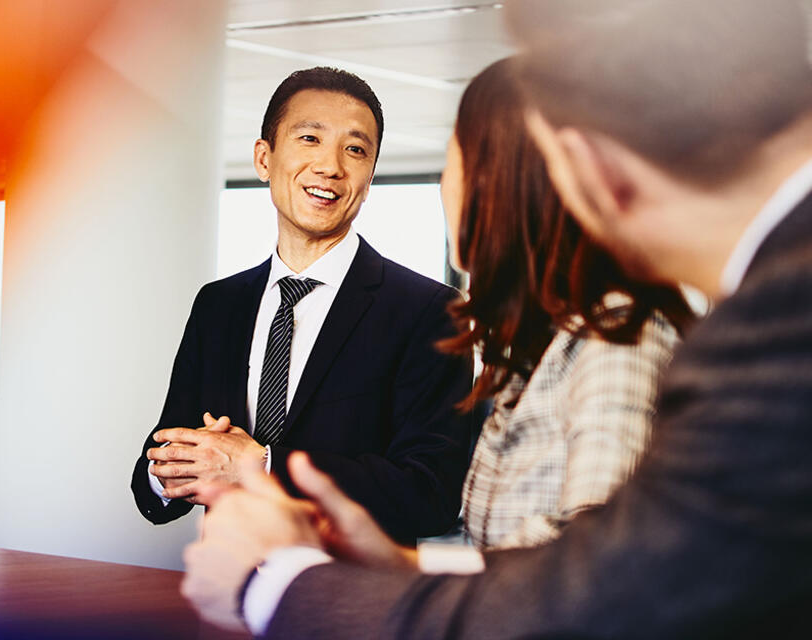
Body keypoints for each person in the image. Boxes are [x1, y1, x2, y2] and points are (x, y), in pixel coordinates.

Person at [181, 0, 812, 637]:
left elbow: (605, 588)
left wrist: (282, 583)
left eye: (452, 158)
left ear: (573, 167)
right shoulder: (542, 354)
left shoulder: (694, 333)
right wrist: (395, 559)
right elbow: (587, 562)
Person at [130, 66, 473, 543]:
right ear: (264, 158)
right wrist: (171, 471)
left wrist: (264, 467)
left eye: (355, 149)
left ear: (369, 175)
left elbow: (431, 495)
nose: (330, 166)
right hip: (225, 588)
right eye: (309, 138)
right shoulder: (219, 305)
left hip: (352, 604)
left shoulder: (427, 311)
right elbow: (160, 461)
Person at [437, 59, 691, 552]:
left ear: (504, 179)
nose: (445, 184)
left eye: (456, 159)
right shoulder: (536, 347)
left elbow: (595, 558)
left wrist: (395, 571)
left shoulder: (618, 335)